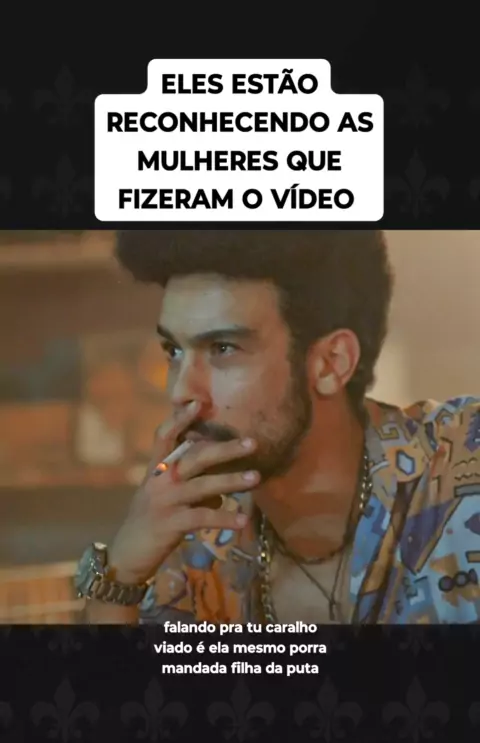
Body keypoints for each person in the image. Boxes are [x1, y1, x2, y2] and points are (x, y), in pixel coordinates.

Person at [76, 230, 480, 626]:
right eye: (174, 351)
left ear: (331, 364)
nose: (182, 391)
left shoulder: (463, 459)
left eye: (223, 349)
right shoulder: (194, 538)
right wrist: (122, 577)